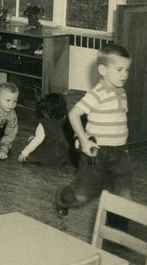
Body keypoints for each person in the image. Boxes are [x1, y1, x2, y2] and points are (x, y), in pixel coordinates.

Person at [54, 43, 132, 219]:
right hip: (97, 152)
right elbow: (74, 114)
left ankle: (115, 237)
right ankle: (63, 198)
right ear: (103, 69)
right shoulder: (97, 93)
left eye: (127, 70)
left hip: (120, 151)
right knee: (84, 193)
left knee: (124, 194)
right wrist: (83, 140)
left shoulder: (122, 92)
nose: (124, 74)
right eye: (119, 69)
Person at [18, 92, 74, 164]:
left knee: (33, 140)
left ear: (45, 111)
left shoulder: (44, 122)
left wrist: (24, 153)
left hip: (52, 154)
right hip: (66, 154)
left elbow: (38, 140)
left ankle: (31, 141)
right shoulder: (66, 119)